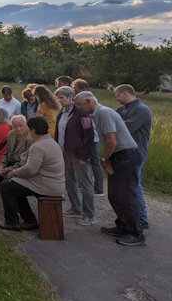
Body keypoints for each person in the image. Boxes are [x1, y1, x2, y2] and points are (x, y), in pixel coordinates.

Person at [75, 92, 145, 246]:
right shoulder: (97, 114)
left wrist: (103, 160)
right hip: (117, 157)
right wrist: (107, 160)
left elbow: (111, 141)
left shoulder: (103, 113)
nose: (79, 108)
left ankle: (136, 234)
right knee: (114, 195)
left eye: (80, 104)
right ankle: (123, 226)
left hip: (127, 156)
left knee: (127, 197)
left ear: (88, 101)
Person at [0, 116, 66, 231]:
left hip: (47, 185)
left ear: (33, 130)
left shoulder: (38, 146)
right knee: (15, 185)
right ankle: (29, 220)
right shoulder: (51, 142)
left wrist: (13, 173)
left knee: (6, 185)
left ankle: (12, 222)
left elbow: (29, 170)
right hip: (54, 183)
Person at [54, 86, 96, 225]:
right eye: (58, 98)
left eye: (62, 98)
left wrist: (83, 155)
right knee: (69, 180)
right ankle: (75, 207)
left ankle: (89, 214)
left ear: (70, 97)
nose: (59, 101)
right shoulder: (62, 112)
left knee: (85, 183)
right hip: (64, 152)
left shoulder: (81, 113)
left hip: (78, 155)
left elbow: (88, 135)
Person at [115, 84, 152, 229]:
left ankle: (141, 218)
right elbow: (113, 125)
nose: (117, 99)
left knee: (133, 186)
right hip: (123, 152)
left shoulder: (141, 110)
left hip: (136, 153)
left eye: (118, 95)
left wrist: (121, 124)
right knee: (124, 187)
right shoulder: (121, 109)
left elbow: (125, 128)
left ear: (125, 94)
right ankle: (127, 217)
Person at [71, 78, 104, 195]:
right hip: (84, 137)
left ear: (84, 89)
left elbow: (88, 123)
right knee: (86, 161)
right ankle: (85, 183)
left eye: (75, 89)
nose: (73, 91)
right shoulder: (82, 102)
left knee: (94, 162)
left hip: (91, 137)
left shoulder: (88, 102)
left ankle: (99, 187)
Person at [0, 115, 34, 193]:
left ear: (25, 123)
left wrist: (9, 169)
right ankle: (6, 195)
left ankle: (9, 197)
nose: (18, 128)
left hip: (20, 167)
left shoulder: (30, 138)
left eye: (21, 125)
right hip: (9, 163)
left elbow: (25, 161)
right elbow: (6, 152)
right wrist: (1, 165)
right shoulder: (11, 134)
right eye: (15, 126)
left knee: (6, 180)